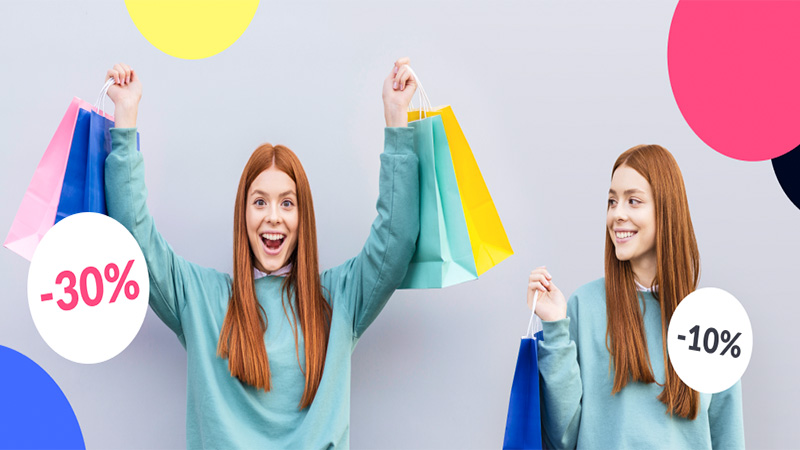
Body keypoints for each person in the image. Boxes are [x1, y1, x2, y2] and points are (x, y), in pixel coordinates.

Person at [103, 58, 419, 448]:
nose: (273, 217)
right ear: (243, 215)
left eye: (287, 203)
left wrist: (396, 118)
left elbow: (396, 239)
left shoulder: (339, 299)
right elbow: (135, 242)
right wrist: (126, 117)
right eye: (259, 202)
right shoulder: (200, 299)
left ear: (304, 217)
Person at [527, 145, 744, 449]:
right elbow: (560, 438)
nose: (618, 214)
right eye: (612, 201)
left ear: (666, 209)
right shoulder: (583, 307)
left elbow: (728, 438)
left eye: (633, 201)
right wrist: (554, 328)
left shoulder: (712, 319)